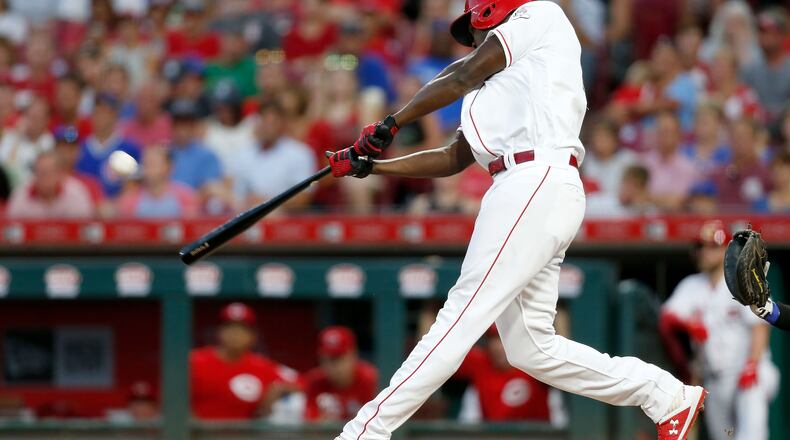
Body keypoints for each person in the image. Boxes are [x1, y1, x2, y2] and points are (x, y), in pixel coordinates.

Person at [326, 1, 705, 439]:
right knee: (532, 347)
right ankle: (664, 395)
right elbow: (453, 157)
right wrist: (372, 168)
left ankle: (363, 432)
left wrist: (393, 122)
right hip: (522, 186)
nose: (473, 38)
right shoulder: (494, 89)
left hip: (535, 178)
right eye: (469, 34)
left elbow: (463, 72)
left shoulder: (539, 15)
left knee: (460, 315)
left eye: (476, 28)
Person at [660, 220, 779, 440]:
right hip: (715, 376)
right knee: (724, 435)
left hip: (749, 371)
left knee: (751, 433)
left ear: (726, 250)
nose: (705, 253)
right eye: (701, 247)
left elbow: (760, 325)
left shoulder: (744, 280)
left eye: (711, 247)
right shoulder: (691, 285)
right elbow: (668, 317)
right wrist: (689, 325)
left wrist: (752, 364)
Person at [190, 302, 302, 420]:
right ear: (219, 332)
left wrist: (277, 389)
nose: (236, 334)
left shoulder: (262, 366)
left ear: (253, 336)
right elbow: (171, 393)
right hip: (197, 435)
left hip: (243, 435)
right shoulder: (195, 361)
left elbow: (303, 381)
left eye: (242, 329)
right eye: (230, 328)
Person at [231, 98, 316, 211]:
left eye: (273, 122)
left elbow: (304, 197)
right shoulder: (243, 153)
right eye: (264, 121)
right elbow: (236, 192)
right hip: (247, 217)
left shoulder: (300, 154)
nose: (268, 127)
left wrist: (267, 202)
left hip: (286, 219)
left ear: (282, 124)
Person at [456, 326, 553, 422]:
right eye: (494, 339)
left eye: (504, 338)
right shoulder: (481, 363)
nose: (498, 346)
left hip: (537, 435)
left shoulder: (535, 362)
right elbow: (447, 351)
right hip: (494, 436)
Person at [304, 326, 378, 422]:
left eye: (337, 358)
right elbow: (310, 427)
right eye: (325, 359)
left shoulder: (371, 379)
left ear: (353, 355)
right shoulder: (315, 381)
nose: (330, 365)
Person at [76, 93, 141, 198]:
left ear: (115, 115)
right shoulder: (79, 148)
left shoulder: (130, 149)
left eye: (106, 112)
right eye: (97, 111)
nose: (101, 116)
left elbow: (134, 188)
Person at [116, 146, 198, 218]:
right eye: (145, 163)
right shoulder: (129, 200)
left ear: (169, 167)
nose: (148, 169)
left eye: (153, 164)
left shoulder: (186, 197)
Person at [6, 151, 94, 218]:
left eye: (49, 172)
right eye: (41, 172)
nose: (45, 177)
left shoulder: (76, 194)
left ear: (60, 174)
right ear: (34, 174)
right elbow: (12, 233)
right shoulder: (21, 196)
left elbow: (84, 231)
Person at [741, 8, 790, 128]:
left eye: (769, 32)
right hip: (756, 128)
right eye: (761, 31)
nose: (763, 36)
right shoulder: (750, 68)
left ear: (781, 35)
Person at [710, 118, 771, 211]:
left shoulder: (766, 173)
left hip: (754, 224)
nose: (739, 141)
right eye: (735, 137)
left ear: (755, 139)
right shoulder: (718, 173)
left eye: (744, 136)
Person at [642, 112, 696, 211]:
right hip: (645, 221)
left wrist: (649, 197)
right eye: (661, 131)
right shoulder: (643, 163)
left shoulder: (687, 167)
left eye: (669, 132)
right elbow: (637, 198)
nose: (665, 136)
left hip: (675, 221)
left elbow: (676, 202)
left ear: (678, 135)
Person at [0, 97, 54, 186]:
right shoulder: (10, 136)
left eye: (38, 117)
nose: (33, 122)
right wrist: (17, 138)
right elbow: (4, 167)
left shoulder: (48, 141)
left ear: (46, 120)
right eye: (30, 116)